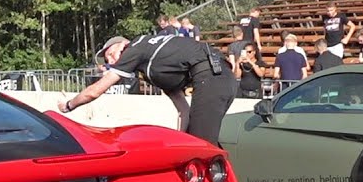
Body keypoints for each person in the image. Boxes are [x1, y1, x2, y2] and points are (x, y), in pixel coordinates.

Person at [59, 33, 235, 144]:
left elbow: (95, 91)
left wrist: (68, 105)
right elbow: (183, 110)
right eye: (108, 61)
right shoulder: (156, 66)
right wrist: (180, 141)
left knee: (201, 149)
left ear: (122, 44)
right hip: (220, 77)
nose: (112, 61)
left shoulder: (134, 48)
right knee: (195, 142)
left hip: (211, 76)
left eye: (111, 54)